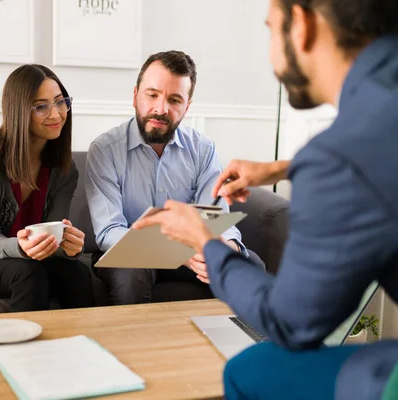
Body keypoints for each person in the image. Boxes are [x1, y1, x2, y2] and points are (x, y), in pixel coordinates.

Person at [133, 0, 398, 399]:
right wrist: (285, 168)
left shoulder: (340, 153)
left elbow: (291, 323)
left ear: (302, 25)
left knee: (250, 370)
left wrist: (204, 240)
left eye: (271, 28)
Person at [85, 50, 252, 306]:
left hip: (193, 251)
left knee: (250, 265)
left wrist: (229, 247)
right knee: (131, 275)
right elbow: (109, 232)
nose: (161, 109)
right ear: (135, 96)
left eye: (174, 100)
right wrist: (178, 251)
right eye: (152, 95)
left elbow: (217, 216)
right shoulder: (105, 150)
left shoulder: (203, 149)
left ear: (187, 106)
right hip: (129, 252)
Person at [0, 64, 94, 312]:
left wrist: (69, 248)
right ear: (19, 111)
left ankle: (81, 346)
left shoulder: (64, 169)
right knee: (28, 273)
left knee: (77, 272)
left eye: (60, 102)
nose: (56, 114)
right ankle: (26, 351)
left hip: (25, 256)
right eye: (41, 106)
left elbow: (51, 240)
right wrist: (21, 248)